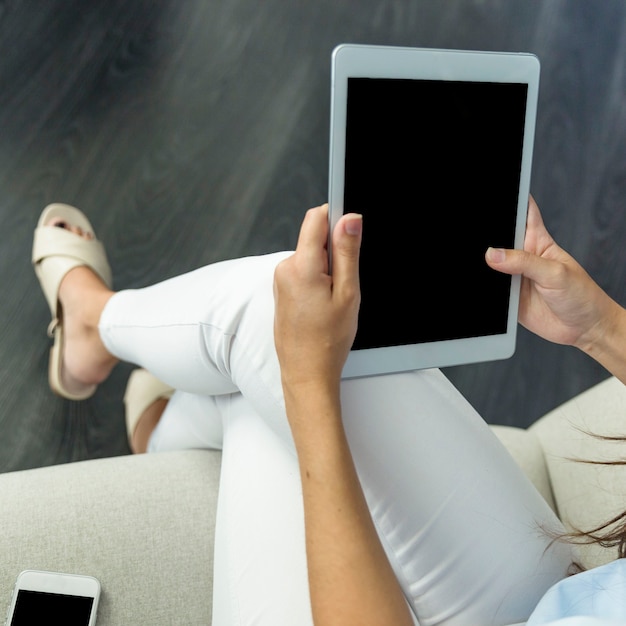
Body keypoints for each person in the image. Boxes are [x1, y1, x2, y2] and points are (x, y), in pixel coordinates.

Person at [31, 197, 626, 625]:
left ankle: (95, 324)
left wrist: (307, 390)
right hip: (567, 599)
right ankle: (152, 422)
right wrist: (600, 326)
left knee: (279, 353)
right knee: (275, 335)